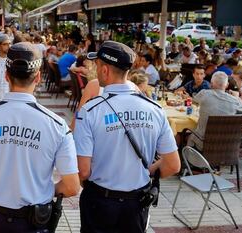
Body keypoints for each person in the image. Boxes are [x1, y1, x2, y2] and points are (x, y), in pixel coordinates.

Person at [0, 42, 80, 233]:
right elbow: (72, 186)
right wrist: (42, 187)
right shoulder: (57, 126)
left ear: (6, 76)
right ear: (38, 77)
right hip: (35, 220)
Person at [74, 41, 180, 233]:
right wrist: (147, 171)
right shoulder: (155, 109)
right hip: (136, 203)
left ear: (105, 70)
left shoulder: (89, 111)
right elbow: (173, 165)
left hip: (100, 201)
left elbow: (83, 172)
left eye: (97, 66)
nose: (95, 71)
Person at [188, 71, 242, 150]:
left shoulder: (204, 94)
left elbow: (194, 100)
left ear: (211, 84)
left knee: (188, 133)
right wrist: (237, 98)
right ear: (227, 85)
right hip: (227, 145)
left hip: (202, 143)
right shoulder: (235, 101)